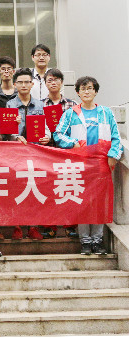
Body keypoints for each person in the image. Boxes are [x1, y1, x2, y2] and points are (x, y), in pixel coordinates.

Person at [54, 76, 122, 256]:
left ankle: (97, 240)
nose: (86, 91)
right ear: (77, 92)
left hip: (101, 163)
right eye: (83, 89)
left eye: (90, 88)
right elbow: (58, 134)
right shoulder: (71, 113)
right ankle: (85, 241)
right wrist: (72, 143)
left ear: (96, 91)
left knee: (99, 202)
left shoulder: (106, 113)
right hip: (80, 163)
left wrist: (113, 154)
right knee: (82, 202)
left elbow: (115, 136)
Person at [6, 68, 51, 241]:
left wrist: (47, 136)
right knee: (17, 188)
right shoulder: (10, 105)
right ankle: (17, 225)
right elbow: (6, 131)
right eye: (20, 82)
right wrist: (15, 134)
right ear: (15, 84)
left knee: (34, 188)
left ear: (32, 84)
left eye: (27, 82)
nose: (24, 85)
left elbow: (46, 126)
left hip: (35, 152)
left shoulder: (40, 105)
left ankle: (33, 226)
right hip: (16, 153)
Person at [41, 68, 78, 238]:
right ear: (45, 83)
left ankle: (70, 225)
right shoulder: (40, 104)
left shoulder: (72, 105)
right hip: (46, 150)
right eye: (49, 80)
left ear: (62, 82)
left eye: (56, 79)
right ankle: (50, 226)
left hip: (67, 151)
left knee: (68, 185)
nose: (53, 82)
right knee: (48, 188)